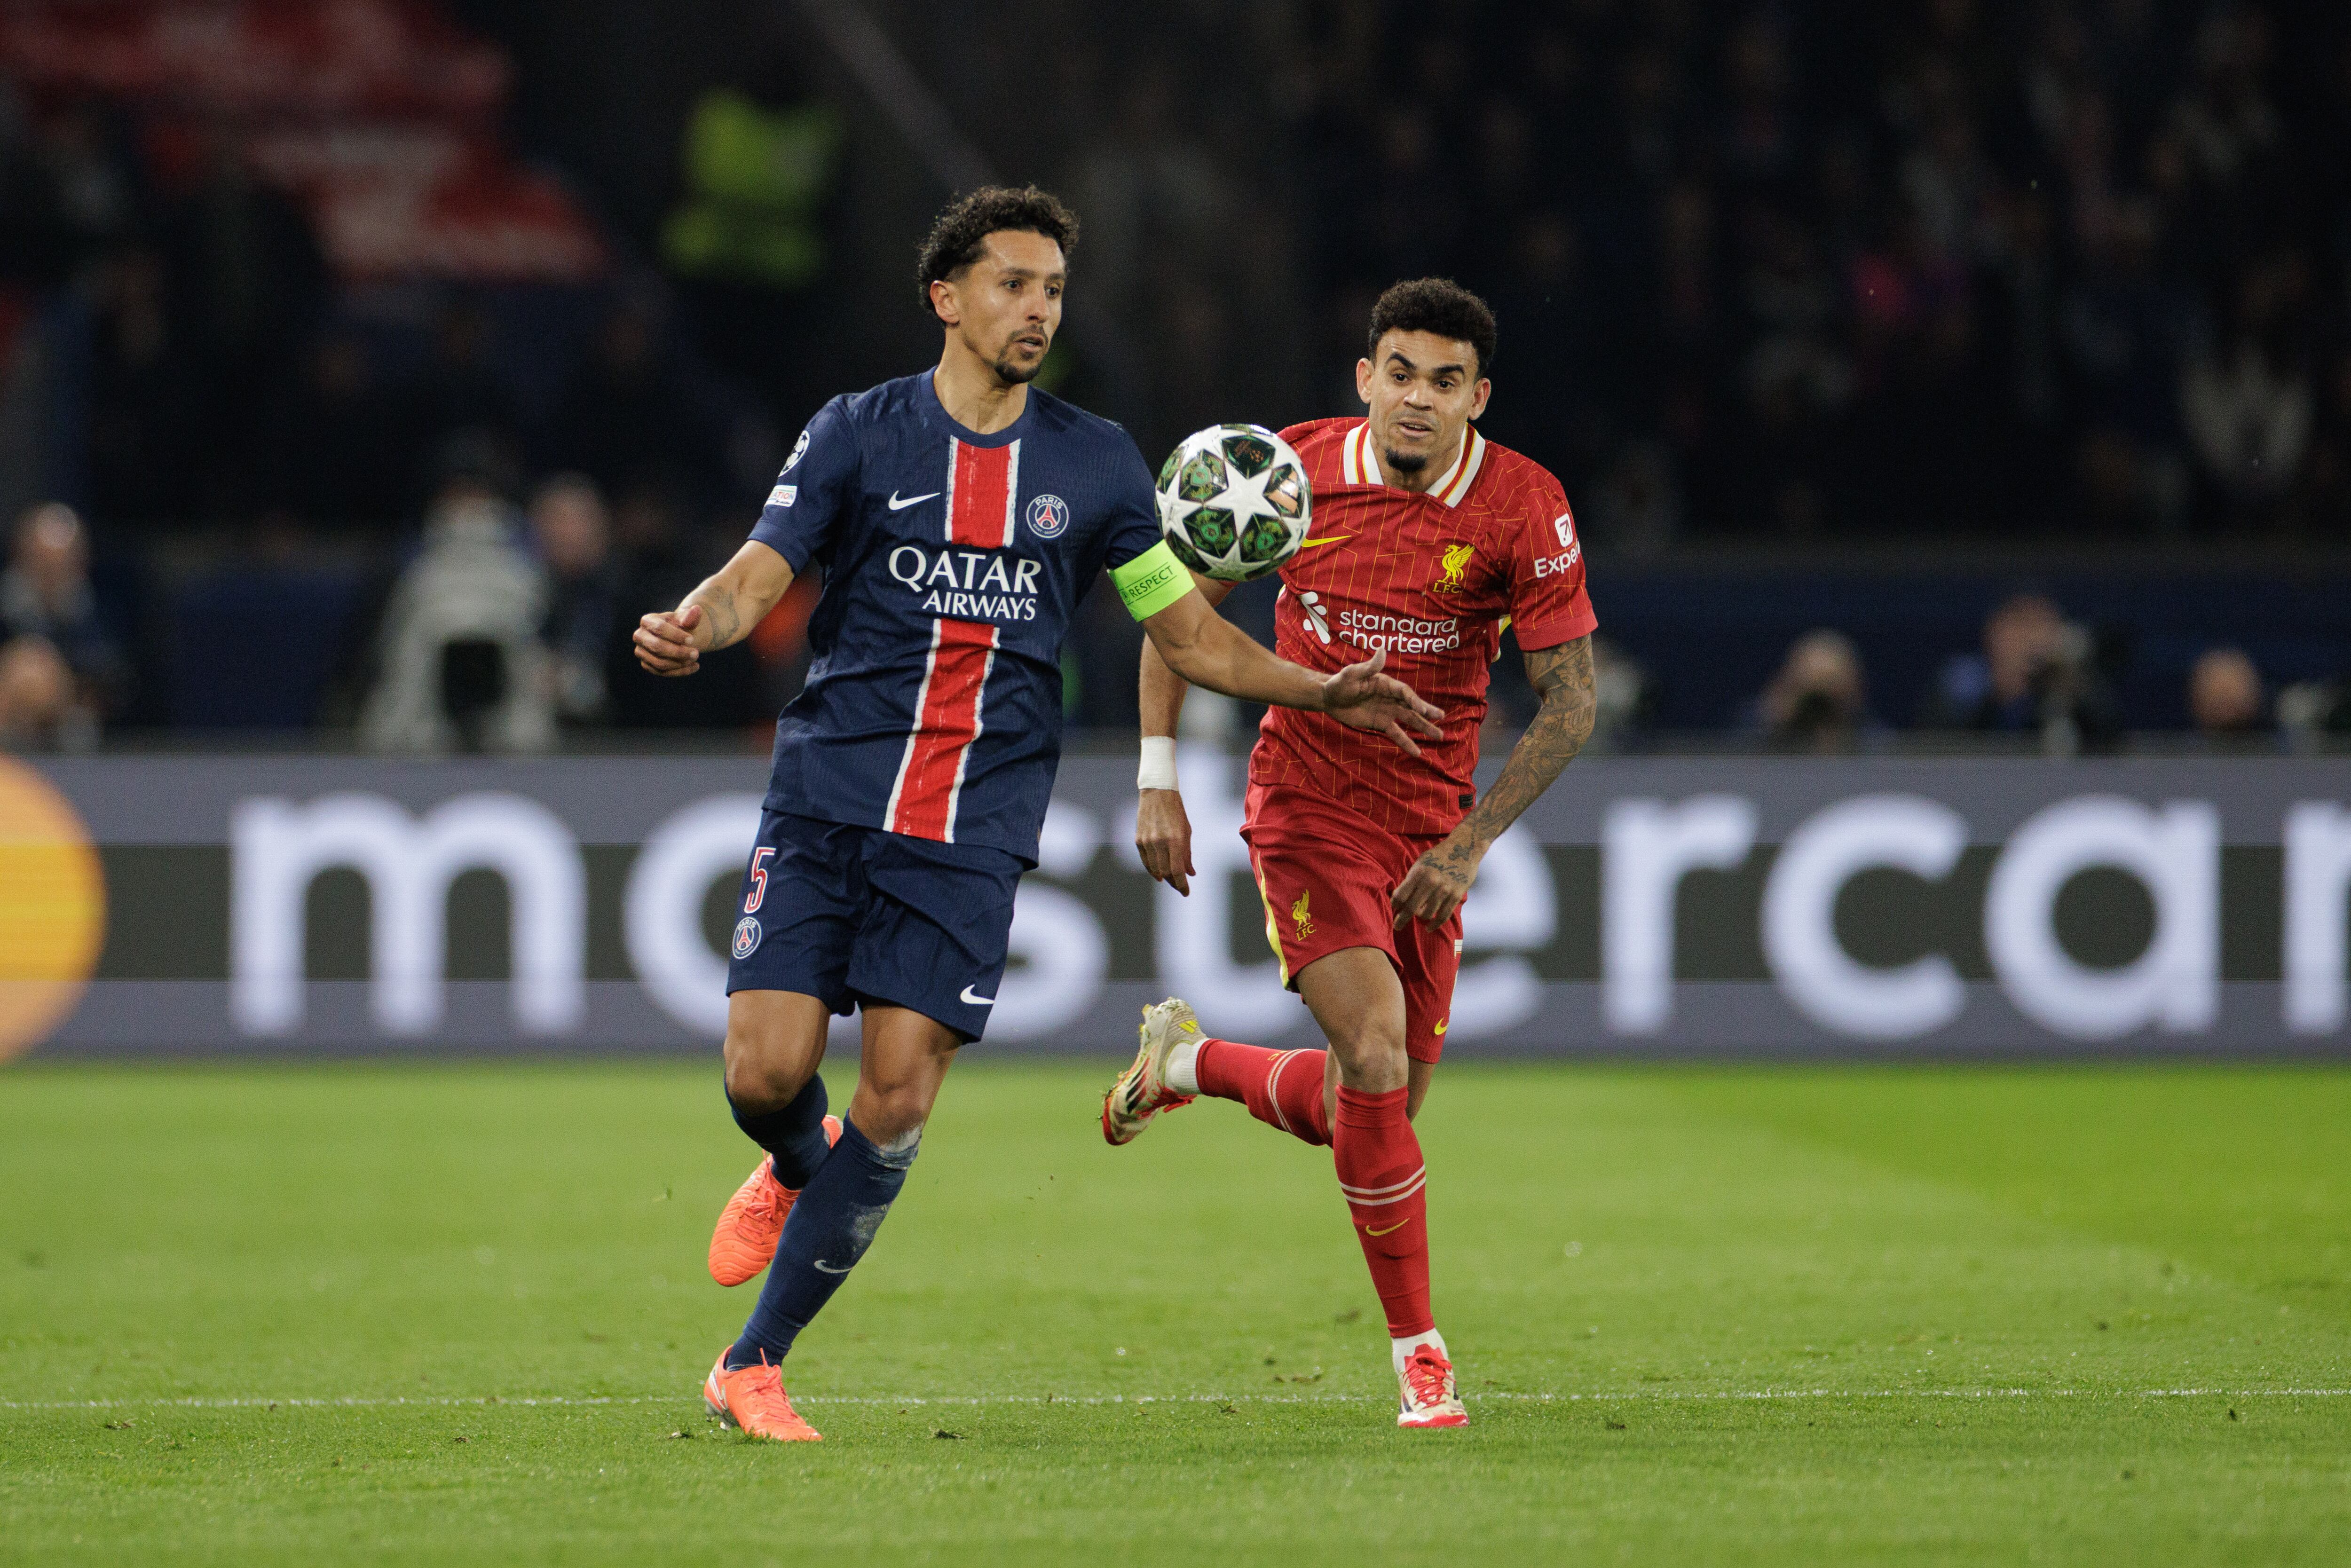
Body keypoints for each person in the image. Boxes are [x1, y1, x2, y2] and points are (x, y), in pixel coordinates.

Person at [629, 187, 1440, 1444]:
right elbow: (758, 572)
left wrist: (1316, 685)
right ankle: (797, 1160)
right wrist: (696, 624)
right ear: (946, 298)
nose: (1038, 310)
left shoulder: (1097, 461)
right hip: (834, 793)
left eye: (1054, 290)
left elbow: (1186, 631)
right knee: (765, 1073)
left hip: (976, 824)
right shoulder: (856, 433)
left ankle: (752, 1365)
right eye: (1013, 285)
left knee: (898, 1096)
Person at [1109, 279, 1601, 1430]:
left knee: (1367, 1109)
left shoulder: (1525, 506)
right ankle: (1420, 1361)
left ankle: (1184, 1065)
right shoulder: (1283, 472)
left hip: (1431, 830)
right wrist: (1157, 775)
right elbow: (1176, 618)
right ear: (1364, 376)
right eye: (1398, 372)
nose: (1416, 399)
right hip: (1306, 803)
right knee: (1375, 1056)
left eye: (1444, 381)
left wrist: (1470, 845)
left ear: (1478, 397)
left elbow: (1571, 702)